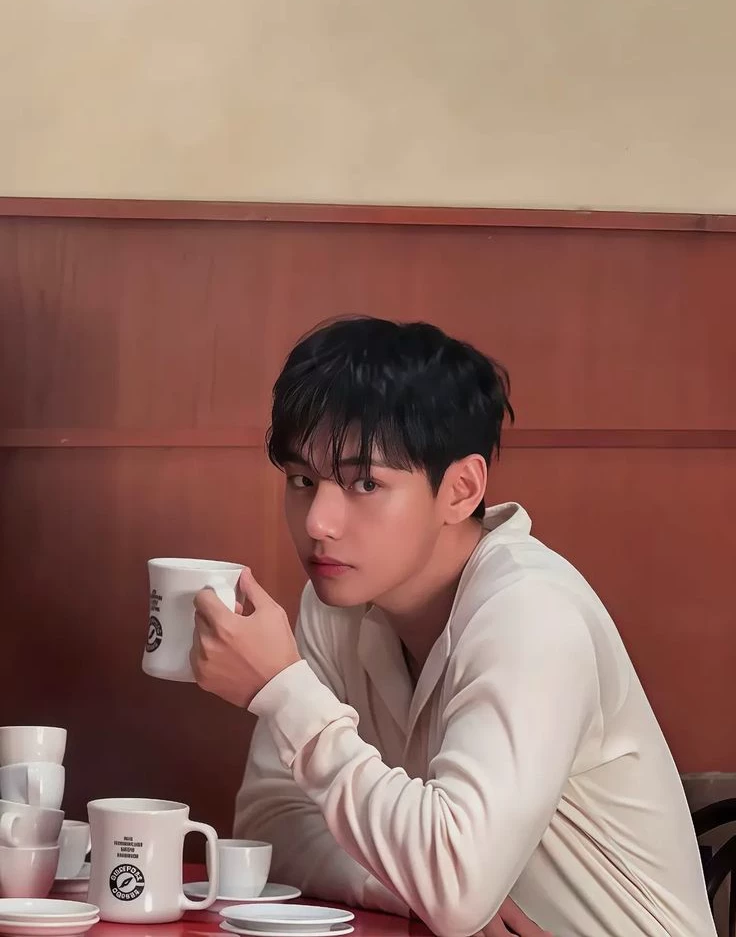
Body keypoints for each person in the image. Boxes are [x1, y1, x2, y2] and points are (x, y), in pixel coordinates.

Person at [190, 317, 715, 937]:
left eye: (365, 483)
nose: (318, 523)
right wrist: (409, 886)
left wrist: (283, 691)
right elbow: (270, 828)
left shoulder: (530, 612)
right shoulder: (333, 606)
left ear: (461, 490)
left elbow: (456, 888)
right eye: (303, 481)